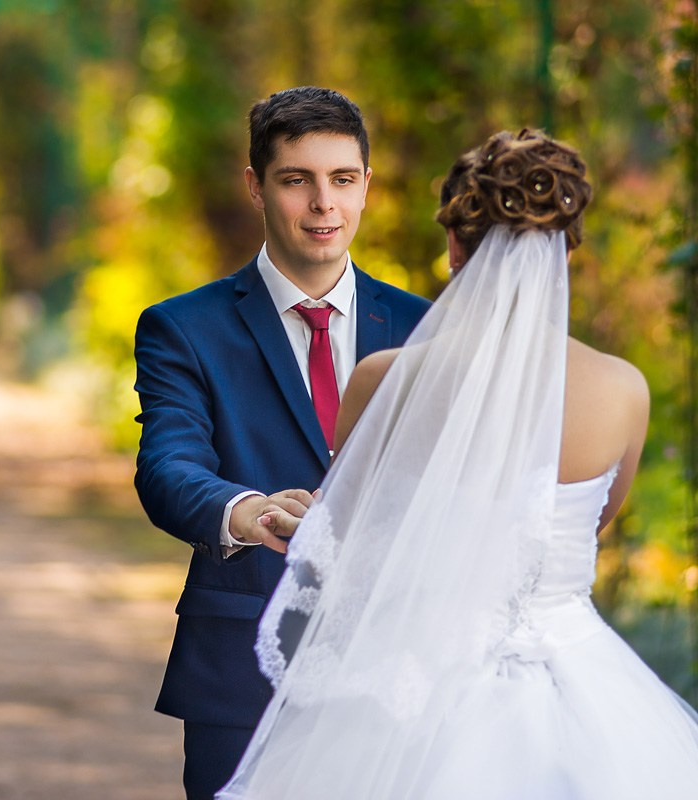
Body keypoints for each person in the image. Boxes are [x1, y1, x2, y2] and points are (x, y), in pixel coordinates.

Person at [220, 130, 698, 799]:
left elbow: (350, 543)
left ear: (454, 248)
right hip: (587, 687)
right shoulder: (623, 390)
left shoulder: (384, 380)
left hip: (412, 691)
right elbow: (592, 525)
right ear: (567, 249)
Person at [133, 86, 432, 799]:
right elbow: (168, 465)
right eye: (297, 180)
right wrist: (244, 510)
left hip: (396, 673)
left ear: (366, 188)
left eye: (342, 179)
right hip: (243, 671)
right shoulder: (183, 328)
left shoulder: (429, 327)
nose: (323, 203)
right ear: (256, 189)